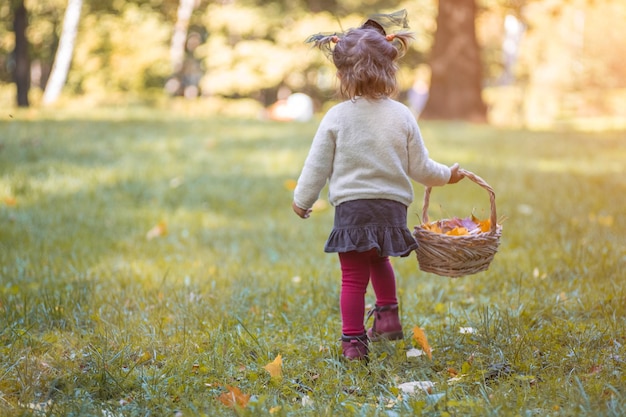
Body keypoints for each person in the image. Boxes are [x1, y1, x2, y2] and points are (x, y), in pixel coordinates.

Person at [292, 10, 464, 361]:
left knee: (353, 276)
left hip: (353, 208)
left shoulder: (337, 117)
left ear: (341, 74)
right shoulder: (402, 115)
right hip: (391, 208)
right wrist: (449, 174)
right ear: (390, 68)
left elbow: (317, 166)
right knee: (379, 259)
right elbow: (422, 167)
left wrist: (302, 200)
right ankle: (388, 318)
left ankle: (353, 342)